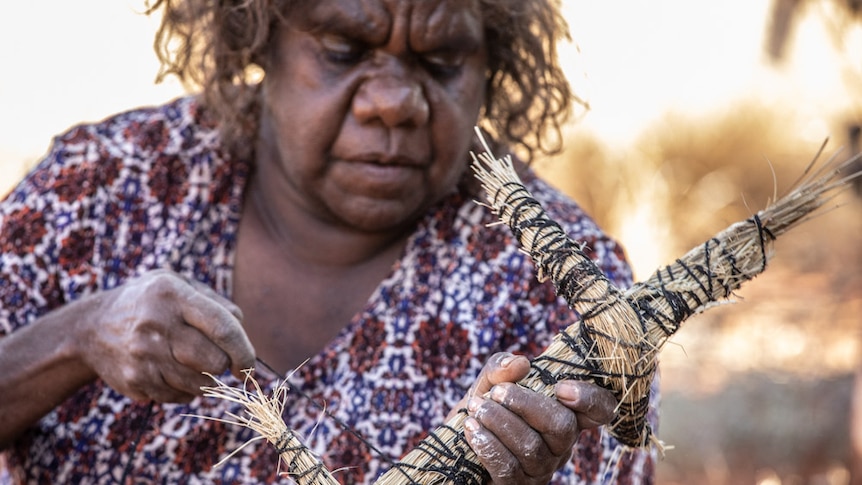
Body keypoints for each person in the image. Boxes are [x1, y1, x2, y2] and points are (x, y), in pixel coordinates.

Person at [0, 0, 658, 483]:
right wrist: (75, 338)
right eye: (343, 49)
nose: (394, 101)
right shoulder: (103, 187)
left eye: (442, 61)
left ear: (493, 67)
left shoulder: (566, 280)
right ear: (259, 44)